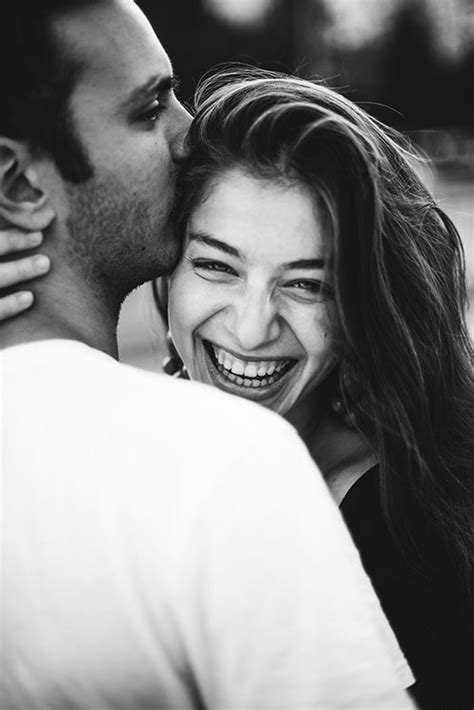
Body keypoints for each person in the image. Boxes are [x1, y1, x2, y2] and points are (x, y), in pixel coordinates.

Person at [0, 2, 418, 709]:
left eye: (308, 282)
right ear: (19, 184)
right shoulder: (225, 460)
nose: (191, 132)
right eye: (147, 108)